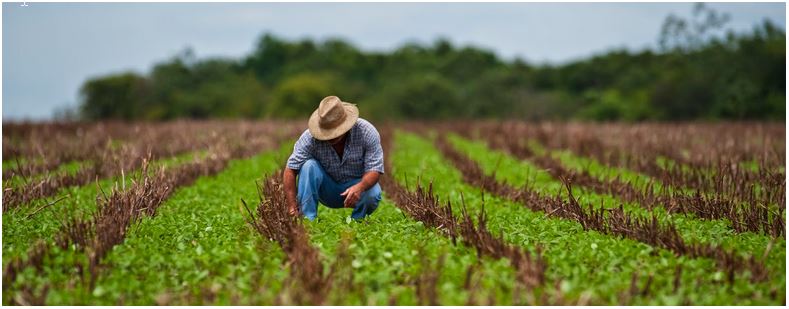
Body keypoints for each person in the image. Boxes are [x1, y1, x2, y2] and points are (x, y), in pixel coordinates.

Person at [283, 95, 384, 220]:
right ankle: (307, 220)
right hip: (327, 189)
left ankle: (357, 222)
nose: (331, 137)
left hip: (357, 186)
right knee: (309, 166)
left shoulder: (367, 132)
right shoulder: (309, 138)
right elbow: (290, 169)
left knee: (373, 193)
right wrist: (292, 207)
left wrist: (359, 187)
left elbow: (375, 169)